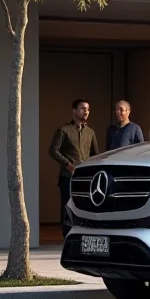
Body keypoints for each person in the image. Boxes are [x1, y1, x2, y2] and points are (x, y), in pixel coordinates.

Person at [49, 99, 100, 237]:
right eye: (83, 108)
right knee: (68, 206)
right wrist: (68, 164)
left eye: (88, 109)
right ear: (74, 111)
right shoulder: (64, 130)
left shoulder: (90, 132)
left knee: (86, 206)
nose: (86, 111)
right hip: (68, 176)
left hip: (86, 177)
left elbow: (95, 154)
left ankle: (83, 235)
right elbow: (53, 150)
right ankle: (67, 236)